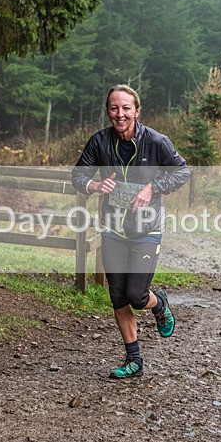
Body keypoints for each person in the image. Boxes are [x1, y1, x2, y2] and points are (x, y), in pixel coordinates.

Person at [72, 84, 191, 378]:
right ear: (108, 111)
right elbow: (78, 175)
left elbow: (182, 171)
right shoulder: (99, 141)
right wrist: (95, 185)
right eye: (114, 108)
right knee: (118, 296)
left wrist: (153, 187)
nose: (120, 114)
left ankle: (159, 303)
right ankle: (133, 360)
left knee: (137, 295)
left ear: (137, 111)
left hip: (146, 229)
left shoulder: (156, 142)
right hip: (113, 229)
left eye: (126, 108)